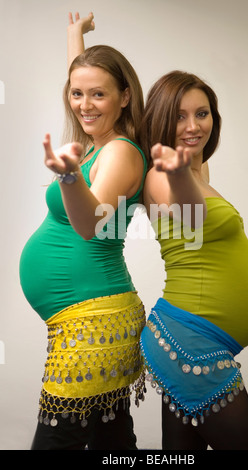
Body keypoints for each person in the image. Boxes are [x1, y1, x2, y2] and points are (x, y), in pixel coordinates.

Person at [19, 12, 147, 450]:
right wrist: (75, 36)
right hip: (93, 318)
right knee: (112, 442)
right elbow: (85, 85)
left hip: (93, 324)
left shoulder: (119, 153)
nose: (85, 104)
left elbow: (91, 225)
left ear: (125, 97)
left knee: (58, 442)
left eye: (99, 95)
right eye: (76, 94)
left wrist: (71, 177)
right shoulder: (96, 142)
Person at [139, 71, 248, 450]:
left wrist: (75, 36)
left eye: (202, 113)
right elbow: (191, 214)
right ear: (162, 120)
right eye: (180, 116)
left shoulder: (198, 170)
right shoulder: (159, 177)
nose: (193, 125)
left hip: (189, 341)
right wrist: (178, 171)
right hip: (190, 343)